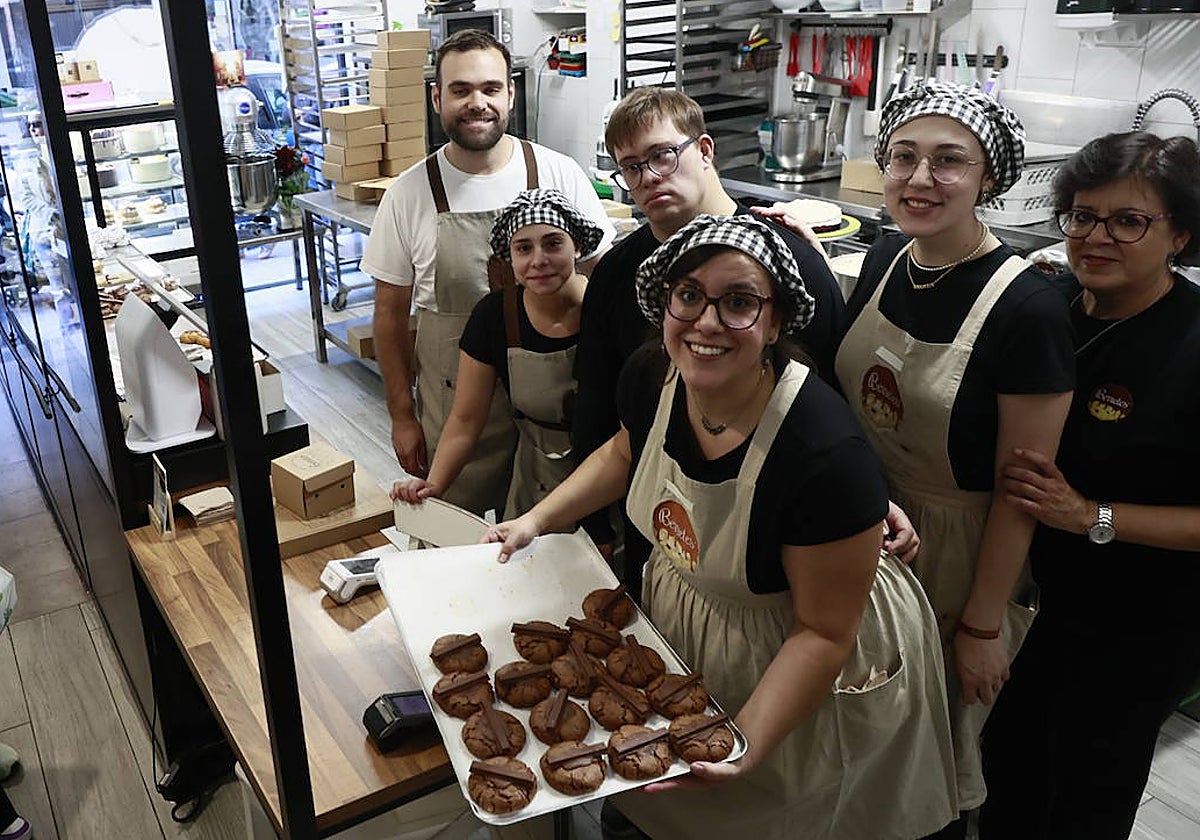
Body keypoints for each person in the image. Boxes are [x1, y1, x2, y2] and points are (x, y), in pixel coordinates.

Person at [485, 215, 956, 839]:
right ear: (664, 306)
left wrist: (746, 745)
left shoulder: (822, 450)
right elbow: (625, 453)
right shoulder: (654, 376)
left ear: (777, 321)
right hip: (697, 614)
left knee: (791, 812)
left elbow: (822, 633)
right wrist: (536, 519)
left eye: (738, 302)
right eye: (689, 296)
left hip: (801, 643)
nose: (706, 322)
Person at [828, 81, 1076, 836]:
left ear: (988, 177)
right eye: (903, 158)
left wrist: (982, 625)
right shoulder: (883, 260)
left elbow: (1020, 490)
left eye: (949, 161)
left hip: (957, 561)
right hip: (865, 529)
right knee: (859, 741)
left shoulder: (1029, 309)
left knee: (928, 769)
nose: (920, 180)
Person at [978, 132, 1200, 839]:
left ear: (1181, 235)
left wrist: (1090, 515)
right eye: (1081, 215)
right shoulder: (1050, 310)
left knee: (1087, 793)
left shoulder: (1192, 346)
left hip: (1138, 619)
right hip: (1033, 604)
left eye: (1128, 221)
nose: (1096, 236)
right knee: (1010, 767)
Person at [572, 86, 846, 585]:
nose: (649, 177)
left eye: (662, 155)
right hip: (652, 524)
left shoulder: (792, 262)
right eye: (631, 167)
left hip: (768, 529)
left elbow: (829, 396)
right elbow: (597, 402)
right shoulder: (614, 275)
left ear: (703, 150)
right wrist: (593, 522)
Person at [362, 29, 614, 517]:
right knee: (454, 533)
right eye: (460, 90)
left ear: (511, 94)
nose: (477, 103)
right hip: (455, 402)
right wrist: (401, 415)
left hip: (553, 408)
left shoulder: (558, 174)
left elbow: (601, 287)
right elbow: (389, 317)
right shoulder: (410, 194)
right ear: (437, 98)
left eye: (490, 88)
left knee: (549, 540)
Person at [391, 189, 604, 517]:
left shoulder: (608, 306)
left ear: (576, 245)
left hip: (608, 477)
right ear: (509, 257)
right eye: (523, 248)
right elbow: (465, 419)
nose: (538, 260)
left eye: (553, 243)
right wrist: (434, 485)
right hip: (537, 480)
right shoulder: (495, 317)